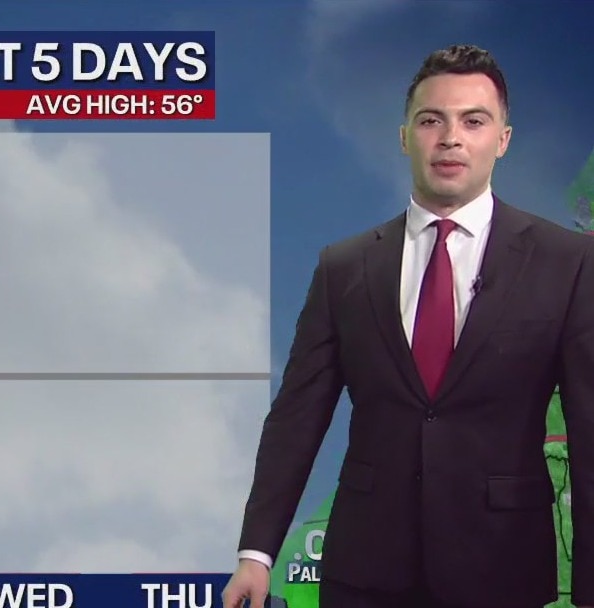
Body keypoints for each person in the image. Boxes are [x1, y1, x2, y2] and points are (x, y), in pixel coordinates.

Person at [222, 44, 593, 608]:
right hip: (364, 572)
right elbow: (297, 418)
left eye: (473, 121)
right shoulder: (344, 267)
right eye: (431, 120)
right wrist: (257, 553)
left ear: (503, 139)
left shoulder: (567, 262)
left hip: (501, 570)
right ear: (404, 137)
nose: (451, 138)